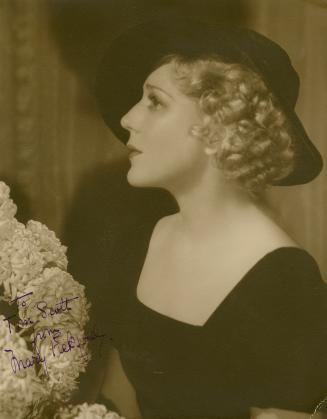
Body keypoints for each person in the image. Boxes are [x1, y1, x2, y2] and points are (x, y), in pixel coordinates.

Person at [94, 17, 327, 419]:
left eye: (155, 101)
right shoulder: (139, 242)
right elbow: (116, 401)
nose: (128, 118)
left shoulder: (283, 281)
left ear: (220, 124)